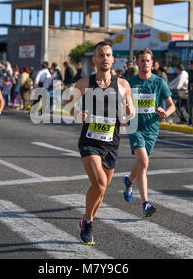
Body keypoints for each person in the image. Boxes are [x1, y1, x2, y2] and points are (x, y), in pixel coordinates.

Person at [66, 41, 134, 245]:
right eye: (101, 55)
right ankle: (88, 224)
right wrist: (78, 112)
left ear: (113, 59)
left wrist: (129, 111)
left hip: (111, 143)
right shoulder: (84, 84)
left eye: (108, 55)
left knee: (101, 190)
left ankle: (87, 219)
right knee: (100, 184)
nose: (105, 58)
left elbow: (130, 111)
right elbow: (68, 105)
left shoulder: (123, 85)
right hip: (90, 142)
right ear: (94, 59)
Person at [123, 49, 175, 217]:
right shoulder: (130, 83)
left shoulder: (159, 82)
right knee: (144, 163)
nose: (145, 63)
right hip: (135, 127)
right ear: (137, 63)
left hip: (152, 129)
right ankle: (146, 203)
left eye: (148, 60)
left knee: (140, 163)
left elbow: (171, 105)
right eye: (142, 61)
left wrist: (165, 113)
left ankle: (129, 180)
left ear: (152, 63)